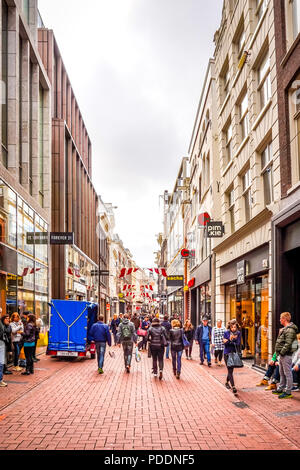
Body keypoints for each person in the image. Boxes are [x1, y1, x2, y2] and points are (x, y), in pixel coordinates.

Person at [272, 312, 298, 399]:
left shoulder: (290, 330)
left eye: (280, 318)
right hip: (282, 355)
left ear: (285, 319)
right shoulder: (285, 329)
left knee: (287, 373)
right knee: (281, 372)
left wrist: (282, 352)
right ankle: (281, 388)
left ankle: (288, 391)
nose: (279, 320)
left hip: (286, 355)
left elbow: (288, 343)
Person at [223, 319, 242, 395]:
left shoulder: (238, 333)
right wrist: (230, 340)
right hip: (227, 353)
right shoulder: (226, 333)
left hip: (234, 353)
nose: (233, 328)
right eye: (232, 327)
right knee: (230, 370)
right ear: (229, 327)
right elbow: (225, 345)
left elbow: (238, 343)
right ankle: (233, 387)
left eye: (234, 327)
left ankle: (226, 382)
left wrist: (229, 341)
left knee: (230, 370)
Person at [0, 314, 10, 387]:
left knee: (2, 362)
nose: (8, 320)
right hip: (1, 344)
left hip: (3, 344)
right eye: (6, 318)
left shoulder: (4, 325)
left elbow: (9, 331)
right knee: (1, 362)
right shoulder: (1, 324)